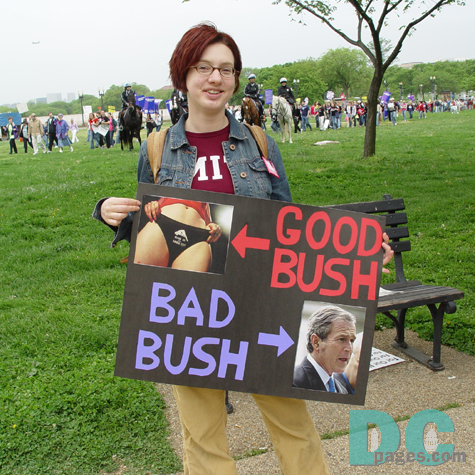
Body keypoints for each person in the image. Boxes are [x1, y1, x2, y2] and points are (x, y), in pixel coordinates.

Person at [93, 22, 393, 475]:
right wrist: (109, 211)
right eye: (203, 67)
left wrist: (361, 249)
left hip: (260, 304)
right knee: (203, 436)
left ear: (236, 79)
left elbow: (290, 225)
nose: (216, 78)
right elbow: (151, 220)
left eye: (226, 69)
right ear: (183, 75)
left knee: (294, 426)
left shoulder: (259, 142)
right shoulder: (157, 148)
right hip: (190, 313)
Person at [293, 306, 357, 393]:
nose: (349, 348)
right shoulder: (294, 383)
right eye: (342, 339)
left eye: (352, 340)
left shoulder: (342, 390)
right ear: (316, 342)